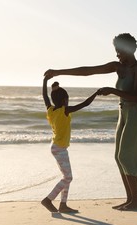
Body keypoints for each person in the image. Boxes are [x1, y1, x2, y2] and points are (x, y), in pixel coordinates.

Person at [45, 33, 137, 211]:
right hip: (124, 112)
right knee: (118, 156)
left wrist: (113, 91)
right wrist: (59, 72)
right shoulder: (117, 66)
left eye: (120, 51)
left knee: (125, 155)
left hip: (136, 113)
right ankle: (130, 199)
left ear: (129, 49)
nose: (117, 55)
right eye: (116, 52)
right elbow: (88, 70)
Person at [41, 76, 97, 213]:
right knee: (68, 177)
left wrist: (45, 81)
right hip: (59, 148)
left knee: (66, 177)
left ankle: (63, 205)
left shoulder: (50, 110)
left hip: (57, 147)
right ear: (64, 100)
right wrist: (97, 93)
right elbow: (85, 104)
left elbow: (45, 96)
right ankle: (48, 200)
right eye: (67, 99)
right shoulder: (65, 110)